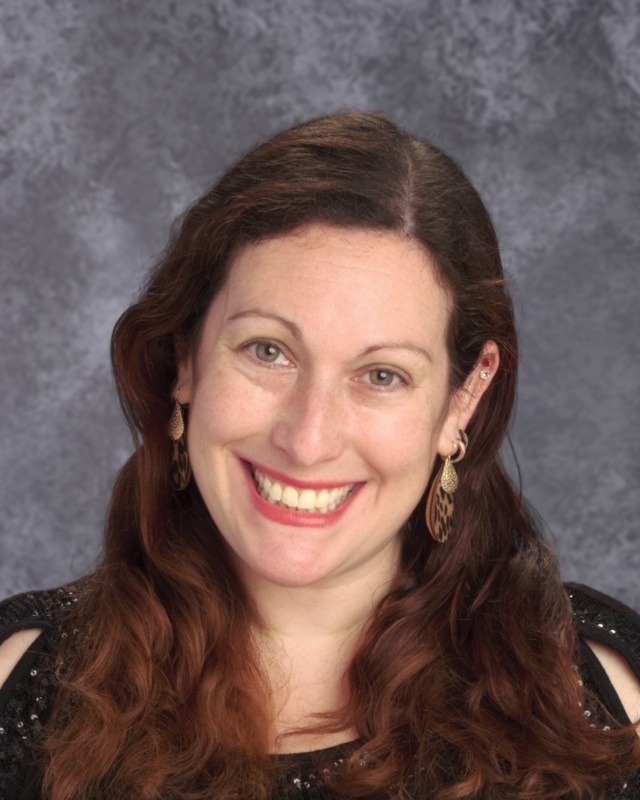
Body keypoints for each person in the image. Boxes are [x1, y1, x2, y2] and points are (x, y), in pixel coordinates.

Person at [1, 112, 639, 800]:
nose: (308, 440)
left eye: (382, 375)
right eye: (267, 351)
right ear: (185, 357)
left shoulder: (607, 699)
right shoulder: (20, 681)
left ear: (463, 399)